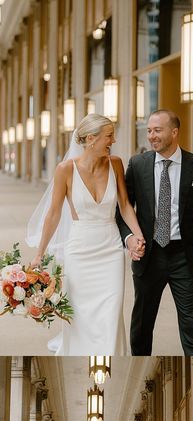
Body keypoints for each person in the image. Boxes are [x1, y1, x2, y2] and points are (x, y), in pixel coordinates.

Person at [27, 113, 145, 355]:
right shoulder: (65, 170)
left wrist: (138, 236)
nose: (113, 140)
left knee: (111, 312)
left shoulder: (116, 163)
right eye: (109, 136)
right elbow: (54, 213)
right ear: (91, 138)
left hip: (110, 248)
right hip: (80, 250)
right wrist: (39, 254)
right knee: (79, 314)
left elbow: (124, 204)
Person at [116, 109, 193, 356]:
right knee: (141, 325)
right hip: (149, 256)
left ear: (174, 132)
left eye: (157, 130)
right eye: (149, 130)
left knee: (192, 325)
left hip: (184, 256)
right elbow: (123, 209)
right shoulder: (137, 164)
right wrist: (129, 239)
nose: (151, 136)